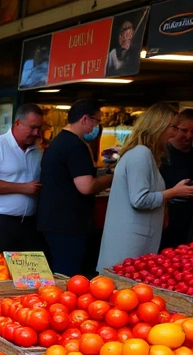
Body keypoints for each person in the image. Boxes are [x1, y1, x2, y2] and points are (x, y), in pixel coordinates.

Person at [97, 104, 193, 271]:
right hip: (130, 243)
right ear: (158, 126)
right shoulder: (140, 153)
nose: (174, 133)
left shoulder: (143, 153)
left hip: (134, 241)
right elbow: (140, 199)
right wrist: (174, 192)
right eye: (173, 127)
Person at [37, 98, 114, 276]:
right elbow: (86, 186)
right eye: (97, 121)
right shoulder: (75, 146)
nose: (97, 126)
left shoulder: (57, 143)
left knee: (57, 274)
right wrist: (110, 179)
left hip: (52, 221)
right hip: (69, 225)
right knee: (67, 278)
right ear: (85, 119)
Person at [0, 103, 45, 253]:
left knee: (24, 274)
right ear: (18, 123)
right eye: (32, 127)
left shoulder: (37, 152)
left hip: (28, 223)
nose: (36, 132)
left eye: (39, 128)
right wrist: (23, 188)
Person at [160, 108, 193, 249]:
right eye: (184, 130)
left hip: (191, 222)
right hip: (164, 219)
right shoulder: (161, 156)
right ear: (175, 129)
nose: (189, 136)